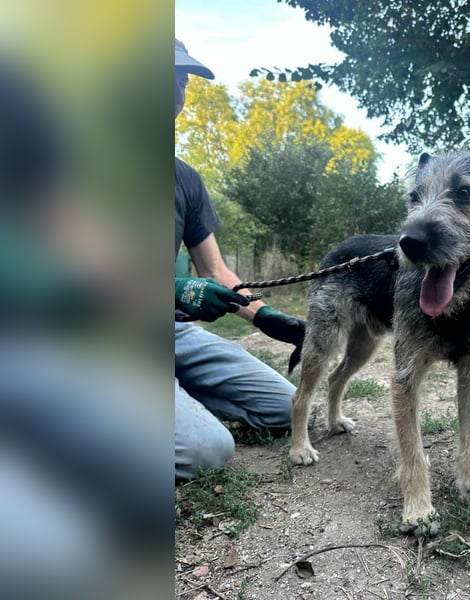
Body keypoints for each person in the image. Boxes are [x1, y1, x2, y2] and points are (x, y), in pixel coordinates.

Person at [174, 39, 304, 479]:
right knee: (205, 452)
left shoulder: (185, 179)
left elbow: (214, 270)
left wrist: (265, 316)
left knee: (289, 407)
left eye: (182, 80)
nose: (175, 90)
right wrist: (173, 290)